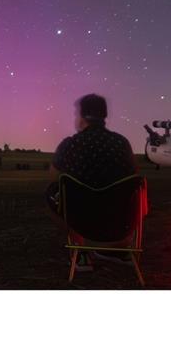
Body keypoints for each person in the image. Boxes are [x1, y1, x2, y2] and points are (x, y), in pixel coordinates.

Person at [45, 93, 138, 266]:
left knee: (51, 194)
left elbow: (52, 179)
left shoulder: (70, 144)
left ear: (82, 117)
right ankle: (119, 248)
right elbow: (134, 177)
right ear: (104, 116)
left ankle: (81, 251)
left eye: (76, 114)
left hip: (83, 219)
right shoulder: (122, 143)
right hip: (120, 219)